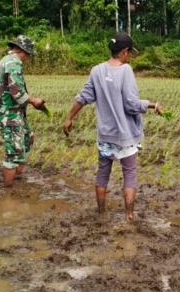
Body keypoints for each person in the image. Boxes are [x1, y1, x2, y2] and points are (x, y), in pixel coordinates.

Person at [63, 33, 162, 221]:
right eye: (130, 53)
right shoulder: (126, 71)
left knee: (102, 174)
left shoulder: (97, 71)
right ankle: (129, 215)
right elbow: (131, 104)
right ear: (124, 52)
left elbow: (82, 98)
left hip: (105, 135)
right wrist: (152, 104)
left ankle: (101, 213)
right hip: (125, 137)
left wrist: (69, 118)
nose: (130, 56)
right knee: (130, 175)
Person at [0, 35, 46, 186]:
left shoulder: (7, 60)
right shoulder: (14, 62)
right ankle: (8, 195)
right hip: (9, 113)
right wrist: (34, 101)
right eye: (28, 55)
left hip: (16, 112)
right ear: (23, 51)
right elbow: (16, 91)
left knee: (27, 138)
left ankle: (17, 177)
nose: (28, 58)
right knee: (13, 152)